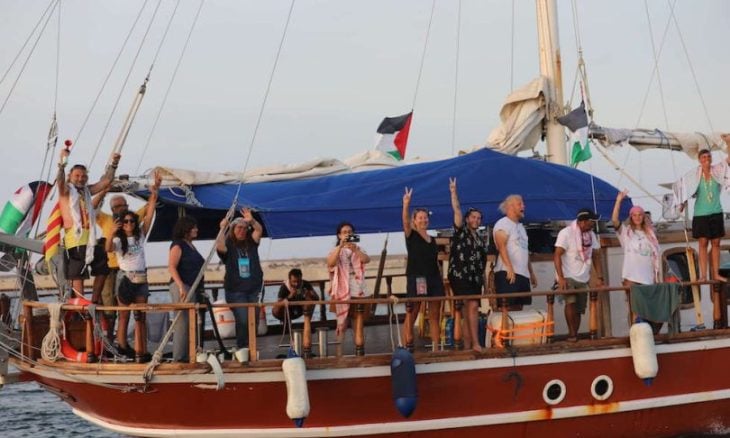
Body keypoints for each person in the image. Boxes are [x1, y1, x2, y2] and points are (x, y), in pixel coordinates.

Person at [93, 171, 161, 342]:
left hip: (138, 275)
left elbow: (148, 212)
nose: (122, 209)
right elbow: (92, 211)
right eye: (117, 207)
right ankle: (112, 342)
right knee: (112, 309)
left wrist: (155, 192)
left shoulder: (136, 229)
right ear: (112, 209)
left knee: (139, 314)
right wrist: (103, 190)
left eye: (123, 205)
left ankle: (138, 348)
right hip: (113, 270)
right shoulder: (107, 222)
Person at [56, 148, 120, 298]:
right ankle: (81, 304)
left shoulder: (86, 191)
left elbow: (106, 181)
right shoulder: (66, 191)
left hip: (90, 239)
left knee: (103, 267)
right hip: (75, 240)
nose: (80, 179)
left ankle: (94, 300)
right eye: (77, 176)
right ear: (70, 176)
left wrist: (114, 164)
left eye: (84, 176)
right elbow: (60, 181)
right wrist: (62, 163)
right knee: (78, 274)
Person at [672, 138, 730, 282]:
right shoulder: (694, 175)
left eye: (709, 156)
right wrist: (682, 204)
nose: (707, 159)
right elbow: (685, 190)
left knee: (716, 243)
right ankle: (703, 275)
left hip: (716, 212)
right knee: (703, 243)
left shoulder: (718, 170)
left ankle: (715, 274)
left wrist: (729, 143)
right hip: (700, 214)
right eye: (703, 157)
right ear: (699, 160)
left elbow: (728, 160)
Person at [105, 205, 155, 362]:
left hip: (141, 277)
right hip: (126, 278)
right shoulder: (119, 240)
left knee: (141, 315)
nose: (129, 224)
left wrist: (153, 198)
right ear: (121, 224)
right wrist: (111, 232)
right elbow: (108, 249)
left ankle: (142, 350)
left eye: (132, 221)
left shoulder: (140, 235)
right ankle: (122, 347)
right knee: (124, 315)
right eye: (125, 221)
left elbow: (149, 217)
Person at [612, 190, 662, 332]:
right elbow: (614, 220)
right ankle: (636, 334)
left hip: (648, 277)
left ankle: (647, 333)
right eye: (634, 215)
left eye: (640, 215)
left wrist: (657, 277)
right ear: (631, 217)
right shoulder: (626, 232)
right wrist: (618, 201)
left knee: (647, 309)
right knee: (634, 308)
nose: (637, 217)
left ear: (644, 217)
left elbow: (655, 257)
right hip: (631, 277)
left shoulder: (650, 234)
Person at [447, 177, 487, 352]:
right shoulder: (461, 231)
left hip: (475, 277)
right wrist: (453, 192)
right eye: (473, 217)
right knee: (472, 306)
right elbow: (456, 210)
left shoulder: (480, 239)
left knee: (469, 310)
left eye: (479, 218)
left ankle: (468, 345)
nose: (476, 220)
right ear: (467, 219)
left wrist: (486, 284)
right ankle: (475, 344)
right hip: (460, 275)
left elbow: (481, 264)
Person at [401, 187, 444, 351]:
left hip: (433, 278)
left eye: (425, 217)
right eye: (420, 217)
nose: (423, 220)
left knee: (435, 314)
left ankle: (436, 348)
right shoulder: (411, 235)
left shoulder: (433, 240)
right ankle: (406, 345)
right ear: (415, 220)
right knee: (413, 311)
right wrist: (406, 204)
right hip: (418, 277)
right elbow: (405, 222)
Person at [215, 208, 264, 350]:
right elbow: (219, 245)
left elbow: (259, 230)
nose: (242, 231)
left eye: (244, 228)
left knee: (254, 320)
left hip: (255, 289)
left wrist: (252, 221)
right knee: (243, 319)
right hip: (236, 291)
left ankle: (252, 347)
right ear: (233, 229)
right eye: (239, 228)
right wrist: (222, 228)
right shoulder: (228, 244)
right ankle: (243, 347)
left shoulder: (251, 242)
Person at [554, 208, 605, 342]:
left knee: (579, 308)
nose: (593, 224)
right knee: (570, 302)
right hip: (567, 275)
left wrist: (600, 278)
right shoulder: (566, 233)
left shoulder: (591, 235)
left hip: (583, 277)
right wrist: (561, 278)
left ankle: (574, 334)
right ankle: (572, 335)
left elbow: (596, 256)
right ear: (582, 222)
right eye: (591, 221)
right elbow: (557, 255)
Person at [168, 216, 206, 362]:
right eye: (193, 227)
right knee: (182, 323)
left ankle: (191, 354)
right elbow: (172, 267)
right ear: (186, 229)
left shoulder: (190, 245)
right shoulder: (178, 245)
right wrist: (181, 286)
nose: (196, 229)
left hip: (194, 287)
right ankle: (179, 358)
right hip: (183, 287)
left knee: (192, 322)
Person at [326, 222, 371, 344]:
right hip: (341, 289)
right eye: (345, 232)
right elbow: (330, 262)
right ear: (339, 235)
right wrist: (340, 247)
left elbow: (366, 259)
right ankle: (339, 351)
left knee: (358, 323)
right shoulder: (335, 250)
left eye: (350, 232)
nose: (347, 234)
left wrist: (355, 250)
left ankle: (359, 351)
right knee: (342, 324)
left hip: (358, 289)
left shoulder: (359, 249)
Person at [493, 194, 537, 311]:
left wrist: (531, 273)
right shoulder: (503, 224)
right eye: (520, 204)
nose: (523, 206)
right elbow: (501, 246)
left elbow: (524, 250)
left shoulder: (521, 227)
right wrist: (509, 267)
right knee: (507, 308)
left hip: (523, 274)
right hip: (507, 273)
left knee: (519, 307)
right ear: (510, 207)